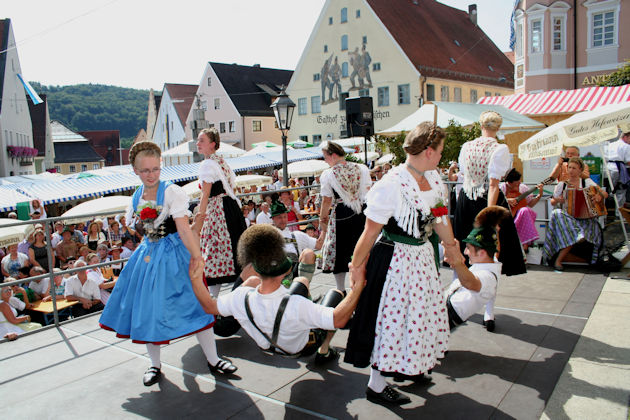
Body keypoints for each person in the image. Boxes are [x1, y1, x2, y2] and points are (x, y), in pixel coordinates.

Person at [100, 141, 235, 387]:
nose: (151, 175)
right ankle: (154, 364)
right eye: (145, 171)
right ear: (136, 171)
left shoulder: (172, 191)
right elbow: (135, 225)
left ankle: (214, 359)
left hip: (176, 255)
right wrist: (147, 232)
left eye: (155, 169)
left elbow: (183, 228)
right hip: (149, 256)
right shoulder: (135, 196)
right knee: (149, 310)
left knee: (197, 305)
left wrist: (197, 257)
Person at [344, 122, 457, 406]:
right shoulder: (391, 184)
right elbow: (369, 232)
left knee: (419, 314)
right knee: (390, 318)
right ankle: (376, 385)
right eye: (440, 150)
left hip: (421, 257)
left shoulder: (434, 179)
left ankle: (412, 364)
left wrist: (452, 249)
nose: (442, 156)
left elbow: (441, 218)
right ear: (429, 151)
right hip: (394, 259)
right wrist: (356, 268)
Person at [189, 224, 366, 361]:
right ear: (285, 271)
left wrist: (195, 278)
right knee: (336, 294)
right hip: (302, 347)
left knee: (301, 282)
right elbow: (339, 319)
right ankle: (324, 349)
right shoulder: (298, 305)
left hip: (268, 345)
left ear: (256, 270)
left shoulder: (240, 297)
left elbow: (209, 306)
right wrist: (356, 288)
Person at [454, 110, 527, 279]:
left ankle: (464, 281)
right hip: (486, 198)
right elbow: (493, 185)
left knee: (466, 243)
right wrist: (489, 214)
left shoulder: (467, 147)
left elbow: (464, 175)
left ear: (480, 126)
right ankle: (486, 283)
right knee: (490, 245)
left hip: (466, 198)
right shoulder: (500, 148)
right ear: (499, 128)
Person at [193, 128, 247, 298]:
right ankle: (237, 296)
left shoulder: (207, 164)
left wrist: (199, 218)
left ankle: (214, 300)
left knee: (213, 254)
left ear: (212, 144)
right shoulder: (220, 161)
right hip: (230, 208)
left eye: (202, 140)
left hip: (218, 211)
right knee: (232, 252)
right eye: (198, 140)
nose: (198, 143)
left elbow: (205, 194)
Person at [318, 141, 371, 292]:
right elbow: (368, 191)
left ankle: (340, 289)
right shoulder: (362, 168)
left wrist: (322, 219)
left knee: (340, 251)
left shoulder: (328, 174)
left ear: (333, 155)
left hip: (341, 213)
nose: (325, 161)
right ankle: (362, 285)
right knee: (361, 247)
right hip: (362, 211)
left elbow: (327, 199)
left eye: (325, 157)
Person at [445, 206, 508, 331]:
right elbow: (496, 248)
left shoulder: (488, 277)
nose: (465, 251)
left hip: (445, 315)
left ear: (482, 253)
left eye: (468, 248)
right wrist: (494, 229)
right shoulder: (490, 260)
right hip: (442, 306)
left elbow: (470, 283)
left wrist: (458, 262)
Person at [543, 157, 608, 271]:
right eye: (569, 168)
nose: (571, 170)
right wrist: (559, 200)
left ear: (580, 170)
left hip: (583, 218)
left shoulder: (586, 182)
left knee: (585, 226)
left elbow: (604, 193)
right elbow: (553, 202)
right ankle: (578, 236)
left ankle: (574, 240)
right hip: (566, 217)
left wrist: (599, 196)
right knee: (558, 213)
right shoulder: (562, 185)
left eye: (574, 168)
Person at [270, 201, 322, 286]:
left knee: (309, 254)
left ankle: (303, 290)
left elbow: (319, 245)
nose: (283, 220)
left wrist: (324, 227)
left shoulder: (297, 235)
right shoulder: (267, 237)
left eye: (284, 217)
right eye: (279, 217)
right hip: (276, 279)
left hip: (296, 278)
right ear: (273, 219)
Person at [500, 169, 544, 252]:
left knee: (525, 210)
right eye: (516, 184)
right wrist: (507, 200)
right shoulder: (502, 188)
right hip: (506, 217)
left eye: (519, 182)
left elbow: (531, 204)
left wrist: (539, 195)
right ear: (509, 183)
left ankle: (525, 244)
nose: (518, 185)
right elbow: (496, 202)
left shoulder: (523, 188)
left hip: (521, 217)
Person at [604, 130, 630, 208]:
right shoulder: (626, 146)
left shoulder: (610, 144)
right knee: (620, 190)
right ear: (625, 137)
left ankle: (606, 210)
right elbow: (628, 161)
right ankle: (620, 214)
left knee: (608, 189)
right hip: (618, 169)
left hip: (608, 168)